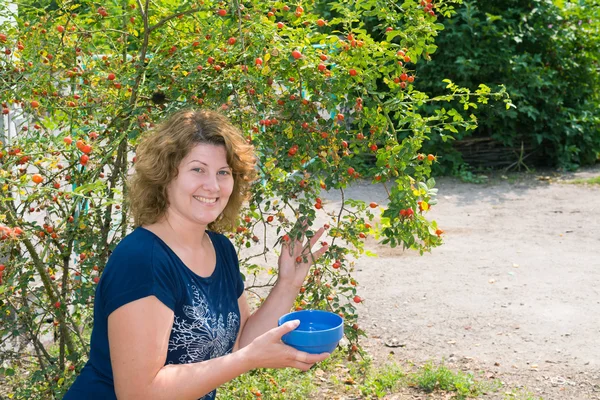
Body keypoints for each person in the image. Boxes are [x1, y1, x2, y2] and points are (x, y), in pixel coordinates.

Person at [64, 109, 330, 400]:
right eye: (198, 169)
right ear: (165, 176)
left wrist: (288, 284)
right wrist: (247, 360)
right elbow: (139, 393)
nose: (213, 186)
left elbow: (241, 343)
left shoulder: (221, 250)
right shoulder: (142, 260)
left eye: (223, 173)